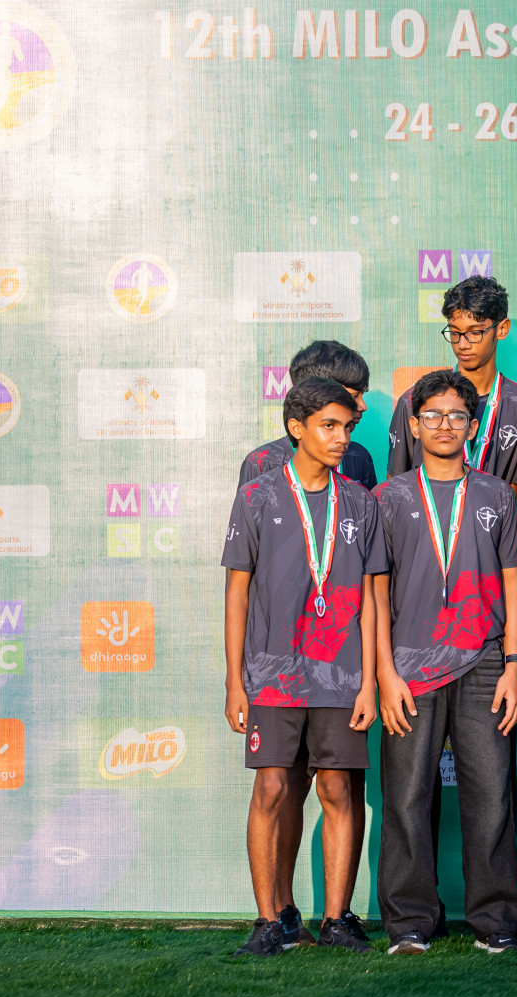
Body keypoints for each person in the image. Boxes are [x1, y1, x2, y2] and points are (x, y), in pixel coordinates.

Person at [222, 377, 384, 957]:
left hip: (341, 675)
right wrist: (234, 677)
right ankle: (270, 921)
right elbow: (237, 591)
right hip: (272, 672)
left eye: (348, 427)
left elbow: (370, 600)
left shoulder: (362, 501)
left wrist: (369, 680)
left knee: (338, 787)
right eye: (329, 426)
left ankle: (338, 919)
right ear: (297, 427)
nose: (342, 438)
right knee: (271, 786)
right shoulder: (257, 496)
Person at [372, 370, 517, 955]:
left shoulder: (493, 495)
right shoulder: (388, 498)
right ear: (412, 426)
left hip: (484, 660)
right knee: (408, 795)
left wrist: (514, 664)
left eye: (457, 416)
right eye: (432, 416)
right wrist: (385, 673)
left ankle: (500, 923)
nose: (444, 426)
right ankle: (409, 922)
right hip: (409, 665)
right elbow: (376, 596)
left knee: (491, 792)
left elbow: (513, 584)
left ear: (473, 424)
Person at [386, 275, 517, 497]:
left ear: (502, 329)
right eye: (455, 332)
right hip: (422, 530)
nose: (462, 344)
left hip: (487, 531)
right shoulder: (413, 401)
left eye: (475, 332)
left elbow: (510, 499)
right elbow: (394, 489)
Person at [241, 340, 379, 492]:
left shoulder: (359, 457)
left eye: (362, 395)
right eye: (353, 397)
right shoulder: (262, 462)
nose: (363, 406)